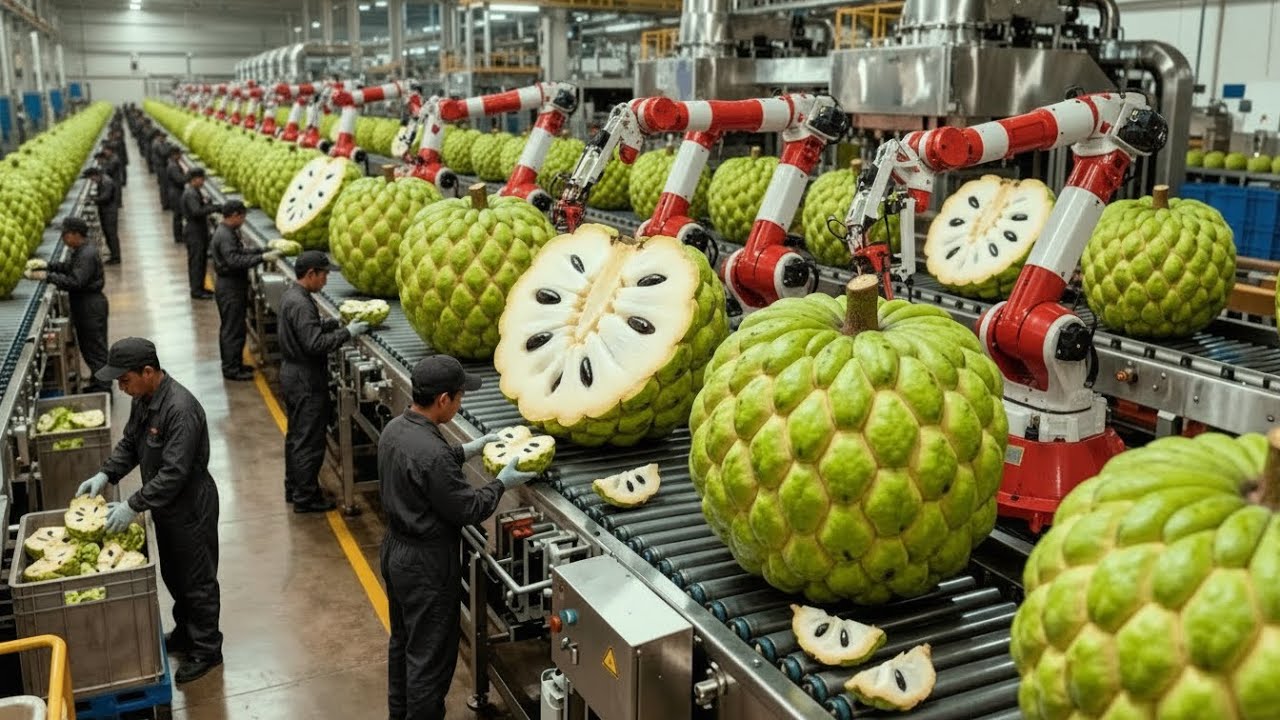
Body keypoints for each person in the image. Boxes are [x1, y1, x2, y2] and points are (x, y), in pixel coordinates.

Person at [378, 355, 538, 720]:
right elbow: (468, 507)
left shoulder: (396, 429)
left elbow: (424, 465)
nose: (462, 402)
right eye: (461, 396)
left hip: (395, 552)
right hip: (426, 566)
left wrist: (470, 448)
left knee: (403, 644)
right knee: (430, 661)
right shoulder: (431, 453)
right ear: (444, 401)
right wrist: (502, 483)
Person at [74, 337, 223, 685]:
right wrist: (106, 473)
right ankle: (187, 633)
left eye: (124, 380)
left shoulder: (180, 409)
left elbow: (174, 474)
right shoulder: (144, 399)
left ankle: (207, 649)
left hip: (190, 507)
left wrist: (131, 504)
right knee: (174, 573)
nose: (122, 387)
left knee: (197, 581)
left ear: (148, 371)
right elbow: (130, 444)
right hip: (166, 507)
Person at [277, 251, 369, 512]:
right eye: (324, 274)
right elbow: (314, 344)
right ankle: (306, 499)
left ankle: (294, 488)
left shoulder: (293, 296)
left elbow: (308, 330)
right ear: (311, 274)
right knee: (310, 440)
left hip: (292, 374)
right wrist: (347, 334)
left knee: (296, 436)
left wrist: (334, 323)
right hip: (305, 380)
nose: (326, 280)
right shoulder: (302, 303)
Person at [23, 217, 110, 393]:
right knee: (91, 348)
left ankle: (104, 388)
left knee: (95, 350)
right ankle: (98, 382)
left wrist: (47, 277)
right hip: (86, 304)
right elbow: (69, 267)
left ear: (76, 234)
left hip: (90, 307)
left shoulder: (86, 254)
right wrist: (48, 266)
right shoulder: (81, 250)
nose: (63, 238)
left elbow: (75, 281)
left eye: (65, 235)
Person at [210, 200, 281, 379]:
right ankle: (231, 369)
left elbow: (238, 253)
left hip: (232, 286)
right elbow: (234, 261)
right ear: (234, 215)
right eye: (242, 216)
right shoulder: (225, 235)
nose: (243, 220)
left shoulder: (227, 232)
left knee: (236, 328)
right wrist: (262, 258)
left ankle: (235, 364)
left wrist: (261, 251)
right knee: (232, 329)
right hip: (230, 288)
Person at [181, 168, 219, 299]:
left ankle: (201, 287)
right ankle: (196, 291)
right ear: (195, 179)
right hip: (194, 232)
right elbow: (196, 211)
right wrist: (213, 208)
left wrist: (206, 203)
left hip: (198, 231)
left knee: (201, 261)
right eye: (202, 179)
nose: (203, 182)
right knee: (196, 262)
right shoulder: (190, 193)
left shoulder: (194, 191)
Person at [83, 167, 121, 265]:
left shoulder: (106, 182)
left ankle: (116, 257)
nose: (92, 181)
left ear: (95, 175)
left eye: (91, 178)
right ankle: (113, 255)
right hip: (105, 212)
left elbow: (106, 197)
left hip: (110, 213)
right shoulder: (102, 180)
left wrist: (92, 200)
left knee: (111, 235)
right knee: (108, 234)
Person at [165, 147, 187, 242]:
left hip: (175, 191)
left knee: (178, 215)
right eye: (179, 154)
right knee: (177, 215)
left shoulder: (173, 164)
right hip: (176, 193)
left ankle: (179, 235)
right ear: (174, 155)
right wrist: (189, 176)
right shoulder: (173, 166)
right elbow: (179, 180)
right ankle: (178, 237)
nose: (180, 156)